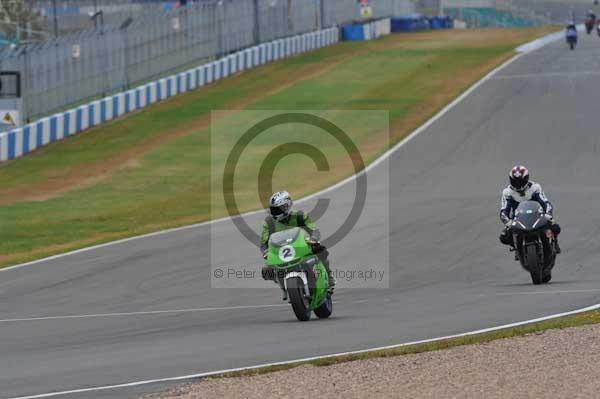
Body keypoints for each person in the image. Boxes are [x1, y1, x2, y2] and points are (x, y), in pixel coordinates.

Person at [260, 191, 336, 300]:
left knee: (322, 251)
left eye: (277, 209)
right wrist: (265, 252)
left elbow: (314, 230)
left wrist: (313, 239)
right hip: (281, 252)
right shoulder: (269, 222)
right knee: (267, 271)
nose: (274, 212)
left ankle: (329, 280)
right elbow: (263, 243)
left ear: (286, 206)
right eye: (273, 209)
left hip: (301, 247)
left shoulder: (300, 216)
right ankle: (284, 288)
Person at [499, 166, 561, 256]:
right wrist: (508, 222)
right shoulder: (507, 192)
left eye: (521, 182)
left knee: (555, 227)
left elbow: (545, 203)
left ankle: (554, 241)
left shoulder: (535, 188)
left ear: (526, 179)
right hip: (518, 219)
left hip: (538, 216)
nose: (518, 185)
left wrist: (548, 215)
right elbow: (504, 210)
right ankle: (517, 247)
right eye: (515, 182)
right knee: (504, 237)